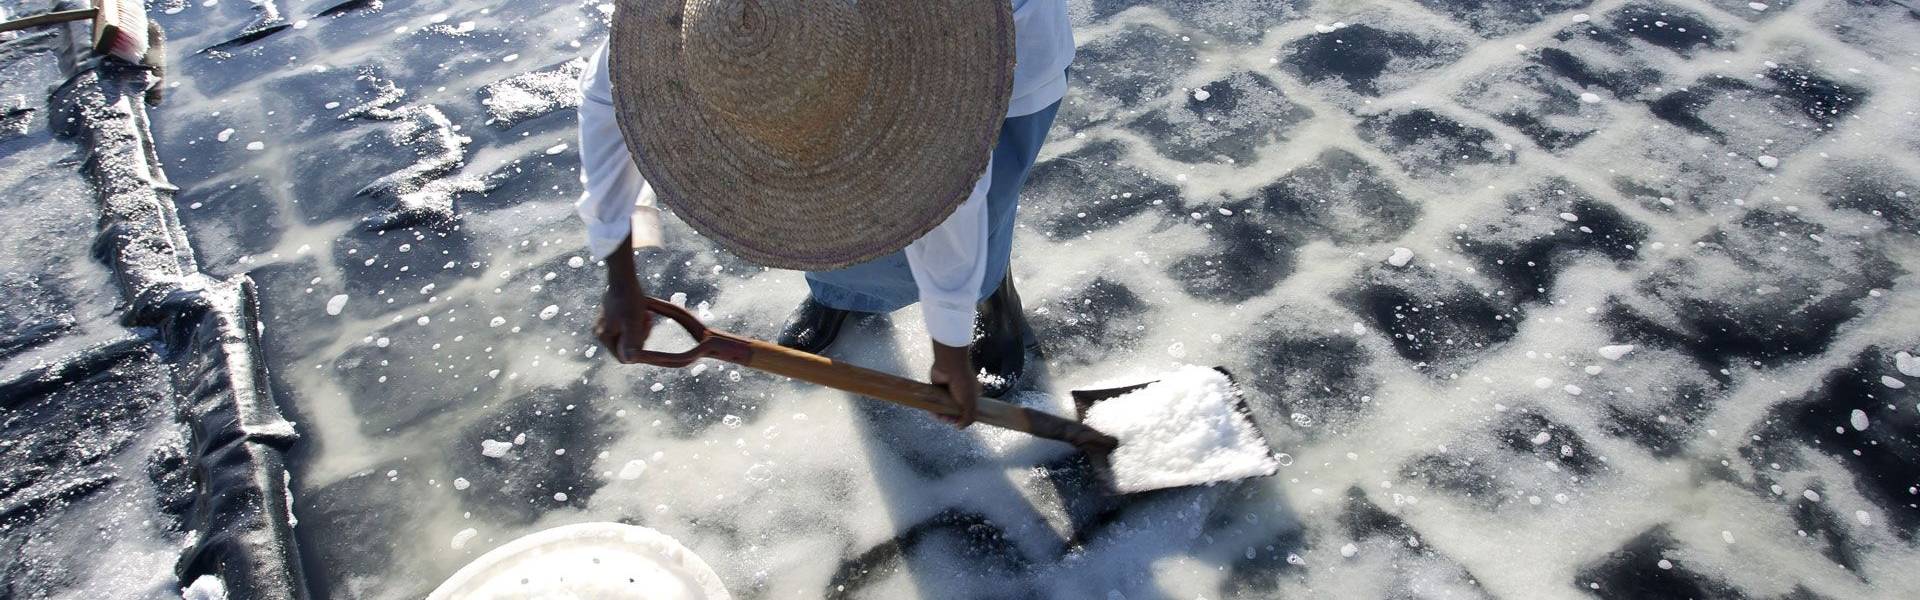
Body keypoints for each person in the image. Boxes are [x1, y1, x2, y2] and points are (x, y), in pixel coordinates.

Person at [575, 0, 1072, 427]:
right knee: (822, 210)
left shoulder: (936, 73)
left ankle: (991, 295)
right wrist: (620, 278)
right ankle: (840, 289)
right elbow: (610, 98)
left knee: (986, 203)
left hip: (1010, 45)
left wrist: (950, 348)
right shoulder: (707, 29)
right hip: (826, 51)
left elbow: (947, 197)